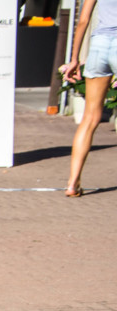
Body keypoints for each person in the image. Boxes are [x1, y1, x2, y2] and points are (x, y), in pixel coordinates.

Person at [62, 0, 117, 196]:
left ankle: (72, 183)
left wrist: (74, 59)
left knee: (89, 118)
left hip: (99, 44)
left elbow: (83, 20)